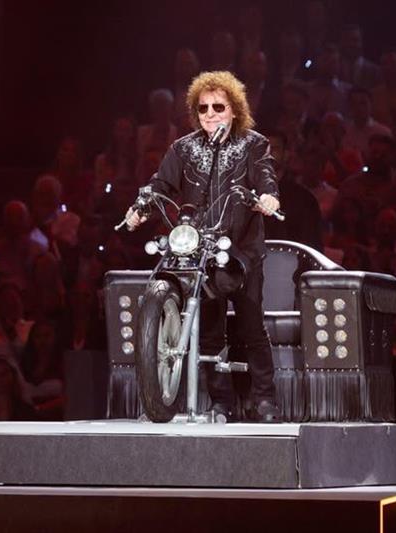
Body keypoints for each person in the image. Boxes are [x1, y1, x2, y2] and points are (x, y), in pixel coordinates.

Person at [124, 71, 281, 422]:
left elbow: (265, 175)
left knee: (251, 325)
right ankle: (220, 402)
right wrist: (140, 207)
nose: (210, 114)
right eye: (203, 108)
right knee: (209, 331)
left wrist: (268, 197)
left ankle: (265, 400)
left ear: (234, 110)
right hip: (199, 248)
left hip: (242, 249)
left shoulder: (253, 144)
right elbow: (161, 184)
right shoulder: (183, 148)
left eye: (218, 107)